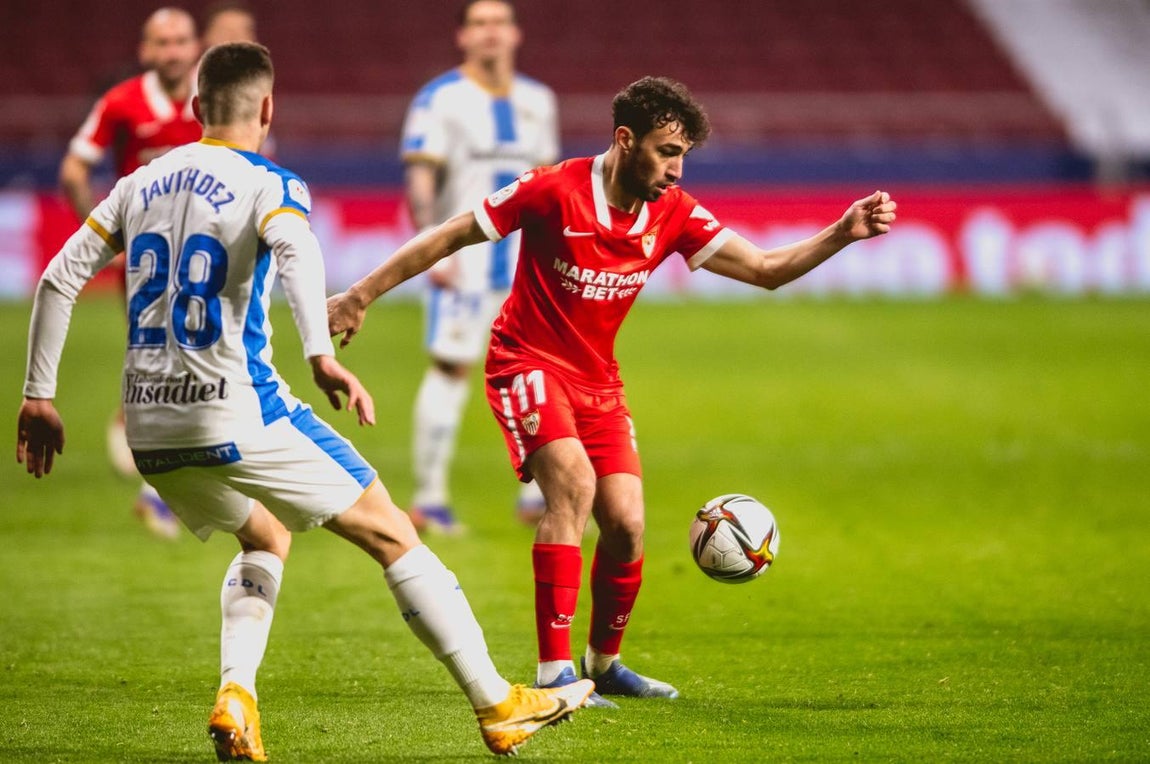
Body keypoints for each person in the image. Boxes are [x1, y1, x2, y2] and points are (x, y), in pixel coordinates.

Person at [17, 42, 591, 760]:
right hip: (238, 408)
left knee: (265, 535)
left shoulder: (139, 183)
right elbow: (295, 252)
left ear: (196, 110)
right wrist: (321, 354)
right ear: (267, 109)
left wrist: (38, 395)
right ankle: (497, 703)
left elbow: (55, 281)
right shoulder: (271, 182)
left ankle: (237, 696)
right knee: (389, 529)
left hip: (150, 429)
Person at [328, 76, 898, 706]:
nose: (676, 171)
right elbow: (451, 233)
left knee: (626, 525)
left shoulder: (673, 212)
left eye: (683, 156)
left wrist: (841, 233)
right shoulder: (554, 189)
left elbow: (763, 270)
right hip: (525, 362)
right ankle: (553, 675)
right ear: (626, 141)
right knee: (573, 486)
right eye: (666, 152)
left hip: (597, 379)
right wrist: (360, 294)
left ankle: (603, 664)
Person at [399, 0, 558, 533]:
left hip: (528, 265)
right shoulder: (439, 98)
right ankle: (430, 499)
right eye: (478, 24)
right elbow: (421, 176)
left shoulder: (539, 100)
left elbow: (548, 181)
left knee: (539, 374)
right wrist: (428, 246)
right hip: (464, 261)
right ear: (462, 36)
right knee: (451, 368)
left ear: (515, 34)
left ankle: (539, 498)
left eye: (499, 23)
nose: (490, 33)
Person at [59, 6, 203, 539]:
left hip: (208, 258)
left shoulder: (213, 98)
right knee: (175, 362)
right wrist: (105, 239)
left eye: (181, 41)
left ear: (196, 46)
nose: (172, 51)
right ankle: (159, 489)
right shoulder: (121, 103)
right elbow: (74, 170)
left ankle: (137, 429)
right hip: (147, 263)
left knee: (184, 364)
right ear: (146, 50)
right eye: (162, 42)